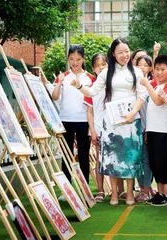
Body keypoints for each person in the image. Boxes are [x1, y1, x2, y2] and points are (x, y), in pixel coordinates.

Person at [70, 39, 146, 206]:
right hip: (111, 120)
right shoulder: (106, 73)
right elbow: (91, 91)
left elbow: (142, 94)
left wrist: (133, 113)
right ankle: (113, 194)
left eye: (126, 51)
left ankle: (129, 193)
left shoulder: (136, 72)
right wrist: (78, 85)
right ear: (113, 54)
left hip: (131, 120)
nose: (124, 55)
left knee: (130, 156)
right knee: (112, 155)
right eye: (120, 52)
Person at [51, 44, 95, 186]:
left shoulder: (90, 78)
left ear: (83, 59)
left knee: (83, 155)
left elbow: (93, 101)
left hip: (83, 120)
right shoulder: (62, 76)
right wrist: (59, 82)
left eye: (78, 59)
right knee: (66, 155)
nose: (74, 62)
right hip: (65, 119)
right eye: (71, 59)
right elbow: (55, 97)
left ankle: (85, 188)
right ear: (68, 59)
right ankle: (67, 188)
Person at [140, 55, 167, 206]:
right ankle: (161, 193)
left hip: (165, 130)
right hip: (153, 130)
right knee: (155, 163)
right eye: (156, 69)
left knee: (164, 163)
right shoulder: (155, 86)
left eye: (163, 69)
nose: (159, 72)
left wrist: (147, 84)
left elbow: (157, 101)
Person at [84, 53, 108, 203]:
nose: (101, 67)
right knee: (100, 160)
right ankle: (100, 190)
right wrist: (92, 130)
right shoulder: (90, 89)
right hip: (98, 128)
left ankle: (119, 190)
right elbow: (89, 112)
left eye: (103, 64)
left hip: (113, 128)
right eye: (97, 65)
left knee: (113, 160)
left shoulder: (113, 84)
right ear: (93, 68)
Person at [135, 55, 154, 202]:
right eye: (139, 64)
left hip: (149, 128)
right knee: (137, 159)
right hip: (135, 128)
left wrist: (148, 128)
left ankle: (146, 189)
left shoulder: (152, 84)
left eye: (145, 65)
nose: (142, 67)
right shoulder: (133, 85)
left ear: (150, 68)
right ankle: (141, 188)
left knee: (146, 160)